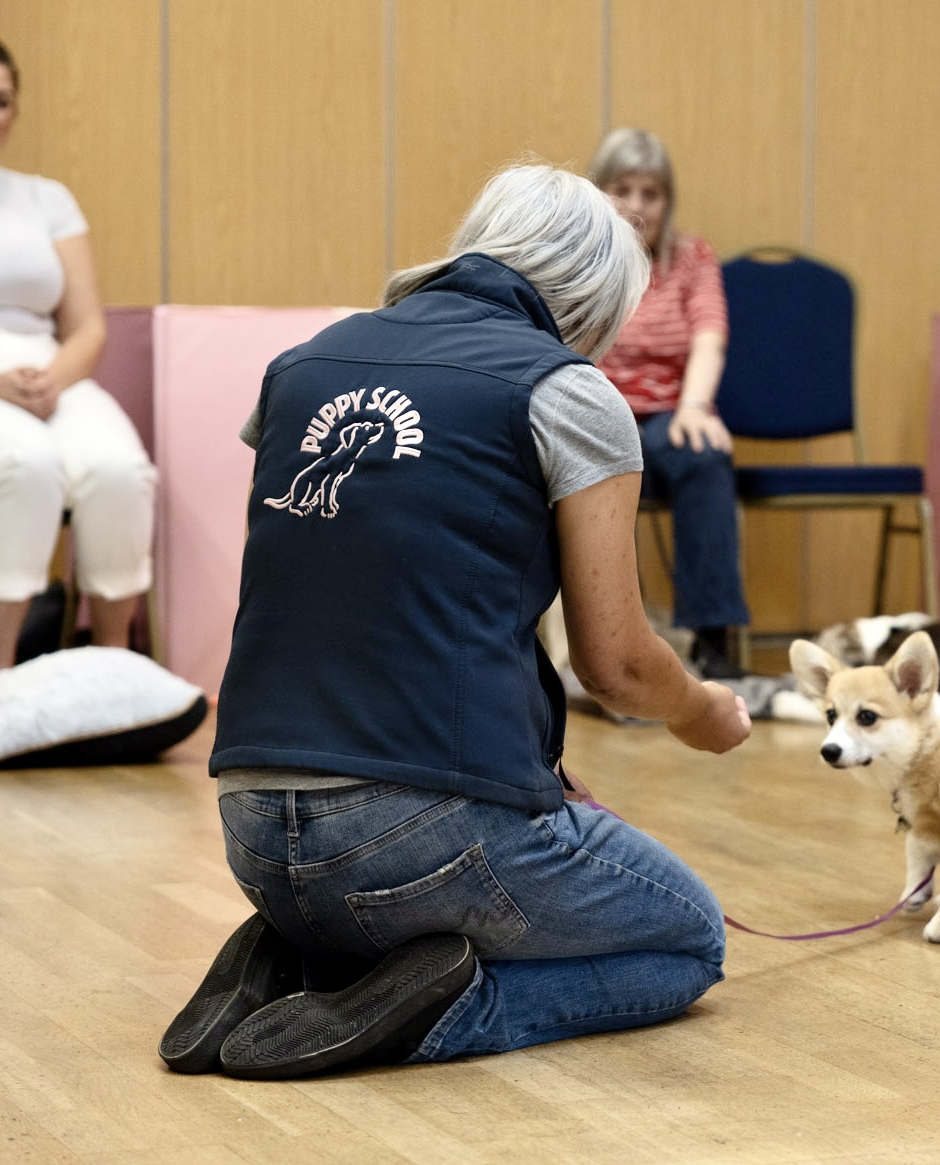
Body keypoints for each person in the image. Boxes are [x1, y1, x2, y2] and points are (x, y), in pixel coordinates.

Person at [157, 165, 752, 1080]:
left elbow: (363, 598)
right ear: (592, 298)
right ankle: (435, 1011)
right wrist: (702, 709)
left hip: (247, 823)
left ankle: (299, 956)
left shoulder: (302, 364)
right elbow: (619, 667)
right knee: (687, 941)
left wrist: (525, 761)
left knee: (391, 870)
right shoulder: (564, 388)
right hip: (413, 837)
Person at [0, 31, 155, 677]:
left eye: (0, 102)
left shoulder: (48, 199)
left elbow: (87, 329)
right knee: (25, 460)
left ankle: (112, 672)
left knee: (118, 469)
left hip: (47, 373)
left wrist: (50, 379)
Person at [587, 127, 749, 679]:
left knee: (704, 456)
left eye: (650, 193)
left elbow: (709, 332)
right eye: (622, 188)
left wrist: (695, 408)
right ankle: (598, 649)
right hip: (593, 413)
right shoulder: (581, 257)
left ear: (667, 201)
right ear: (597, 191)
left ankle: (714, 642)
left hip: (666, 416)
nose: (636, 205)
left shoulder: (690, 257)